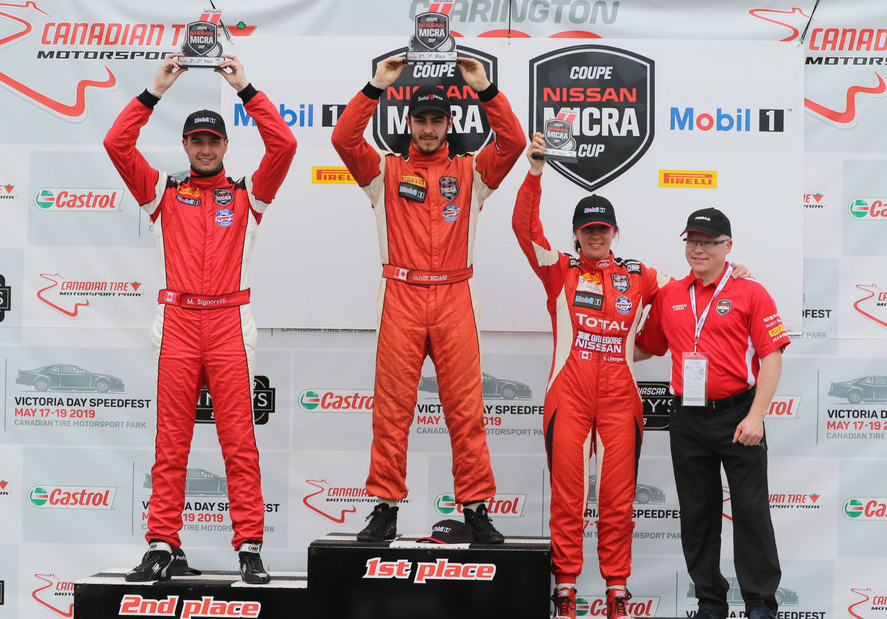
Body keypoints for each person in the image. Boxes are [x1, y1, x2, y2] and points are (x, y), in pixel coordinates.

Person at [103, 53, 296, 584]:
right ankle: (162, 544)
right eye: (197, 141)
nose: (206, 148)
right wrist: (155, 90)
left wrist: (245, 87)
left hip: (230, 324)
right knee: (172, 443)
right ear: (185, 146)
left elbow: (285, 144)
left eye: (214, 141)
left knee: (238, 441)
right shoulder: (162, 193)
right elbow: (116, 144)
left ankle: (250, 547)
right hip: (180, 324)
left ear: (225, 146)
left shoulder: (247, 195)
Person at [331, 55, 526, 543]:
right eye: (421, 120)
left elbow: (515, 143)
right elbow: (343, 139)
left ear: (449, 124)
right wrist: (377, 84)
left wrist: (485, 88)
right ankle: (385, 508)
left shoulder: (472, 172)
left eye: (438, 120)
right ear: (409, 123)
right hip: (400, 293)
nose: (429, 129)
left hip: (456, 292)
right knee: (393, 409)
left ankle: (476, 508)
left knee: (466, 407)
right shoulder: (384, 171)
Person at [512, 133, 672, 619]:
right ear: (576, 233)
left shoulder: (640, 275)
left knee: (618, 499)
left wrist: (733, 270)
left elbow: (678, 307)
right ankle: (565, 588)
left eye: (603, 229)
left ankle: (617, 589)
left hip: (622, 399)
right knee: (569, 496)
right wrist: (536, 171)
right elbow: (524, 228)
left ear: (615, 232)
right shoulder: (558, 269)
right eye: (588, 229)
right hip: (570, 397)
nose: (596, 236)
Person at [634, 208, 788, 619]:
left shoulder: (750, 290)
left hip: (739, 415)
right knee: (698, 515)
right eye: (691, 241)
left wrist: (756, 416)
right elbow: (646, 346)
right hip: (686, 417)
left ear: (727, 247)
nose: (697, 248)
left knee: (751, 512)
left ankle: (759, 602)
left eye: (707, 241)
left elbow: (771, 357)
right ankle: (710, 602)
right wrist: (596, 342)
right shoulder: (669, 295)